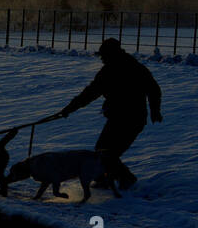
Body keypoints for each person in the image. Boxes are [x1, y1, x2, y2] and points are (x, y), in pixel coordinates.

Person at [59, 37, 162, 189]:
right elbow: (90, 93)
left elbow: (153, 89)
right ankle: (105, 178)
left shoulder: (120, 70)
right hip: (121, 118)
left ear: (111, 53)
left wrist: (155, 110)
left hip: (130, 119)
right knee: (104, 151)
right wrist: (69, 108)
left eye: (103, 55)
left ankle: (125, 179)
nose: (101, 58)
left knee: (106, 153)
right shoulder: (127, 67)